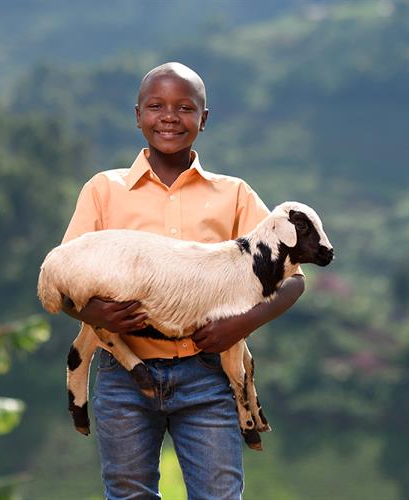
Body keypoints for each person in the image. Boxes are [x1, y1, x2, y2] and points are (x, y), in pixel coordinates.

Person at [60, 62, 305, 500]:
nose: (169, 117)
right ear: (137, 115)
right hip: (123, 377)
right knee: (129, 494)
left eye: (184, 107)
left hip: (207, 375)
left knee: (219, 494)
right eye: (156, 106)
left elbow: (292, 282)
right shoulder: (103, 191)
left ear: (203, 119)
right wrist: (95, 312)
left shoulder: (234, 195)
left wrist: (240, 325)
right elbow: (64, 280)